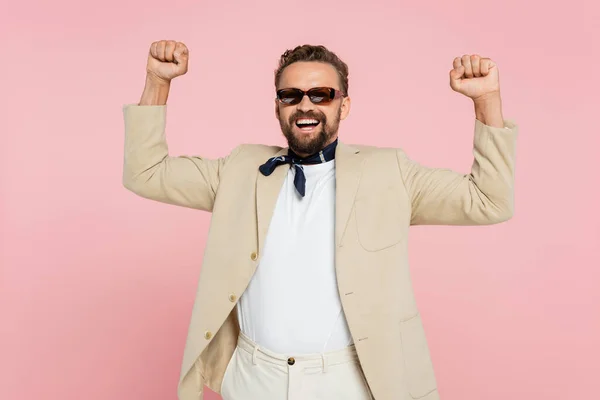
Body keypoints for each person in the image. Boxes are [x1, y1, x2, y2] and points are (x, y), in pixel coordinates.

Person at [122, 40, 518, 400]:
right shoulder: (241, 169)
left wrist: (486, 102)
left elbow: (488, 201)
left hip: (348, 381)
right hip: (251, 378)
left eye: (321, 95)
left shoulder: (390, 172)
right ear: (278, 106)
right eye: (291, 95)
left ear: (343, 105)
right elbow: (146, 173)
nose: (305, 105)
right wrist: (157, 82)